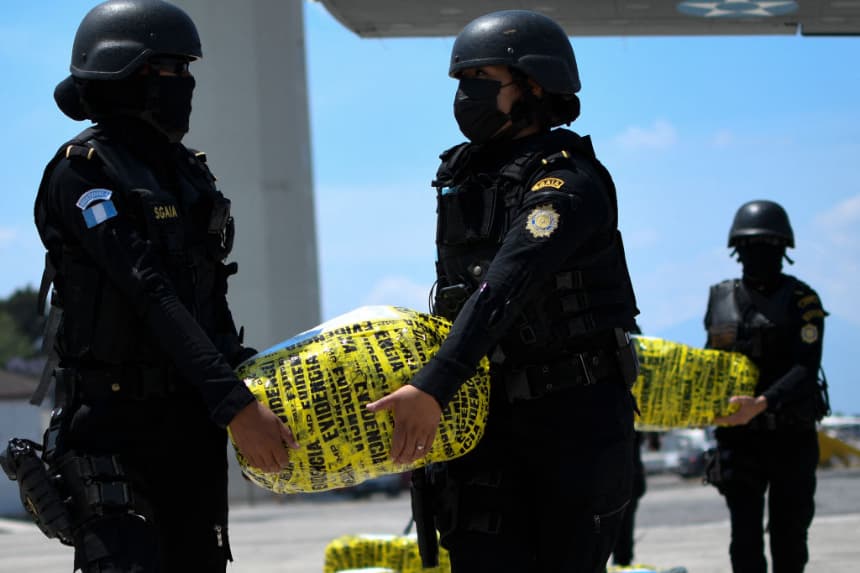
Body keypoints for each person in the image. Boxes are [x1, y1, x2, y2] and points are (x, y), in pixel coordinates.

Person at [20, 1, 298, 571]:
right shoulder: (84, 171)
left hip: (192, 430)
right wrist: (235, 403)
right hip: (114, 431)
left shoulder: (189, 174)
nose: (187, 84)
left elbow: (208, 305)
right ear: (127, 75)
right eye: (172, 70)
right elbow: (148, 291)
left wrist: (268, 392)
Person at [367, 10, 640, 572]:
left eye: (479, 82)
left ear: (533, 86)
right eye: (461, 84)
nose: (465, 97)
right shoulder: (467, 177)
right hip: (484, 425)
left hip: (571, 425)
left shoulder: (567, 181)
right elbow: (456, 296)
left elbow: (506, 282)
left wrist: (432, 388)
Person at [704, 200, 828, 573]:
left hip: (791, 435)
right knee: (744, 541)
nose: (757, 255)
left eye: (767, 247)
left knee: (789, 538)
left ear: (783, 251)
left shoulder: (803, 302)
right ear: (736, 251)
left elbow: (806, 368)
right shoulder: (719, 298)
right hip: (739, 442)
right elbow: (709, 365)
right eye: (750, 247)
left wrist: (762, 402)